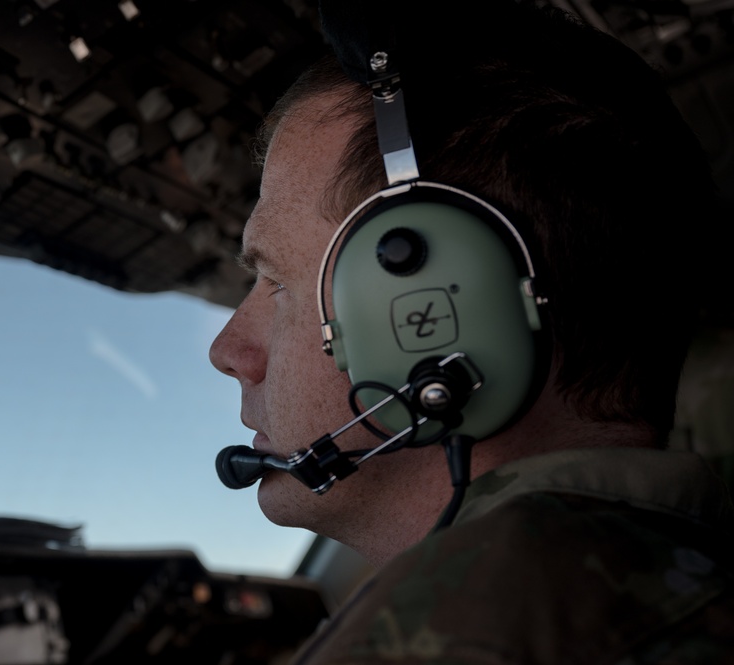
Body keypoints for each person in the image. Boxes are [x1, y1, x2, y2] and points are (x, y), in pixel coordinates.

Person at [209, 1, 734, 662]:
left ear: (436, 325)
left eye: (277, 282)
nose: (227, 350)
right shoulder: (687, 564)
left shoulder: (461, 628)